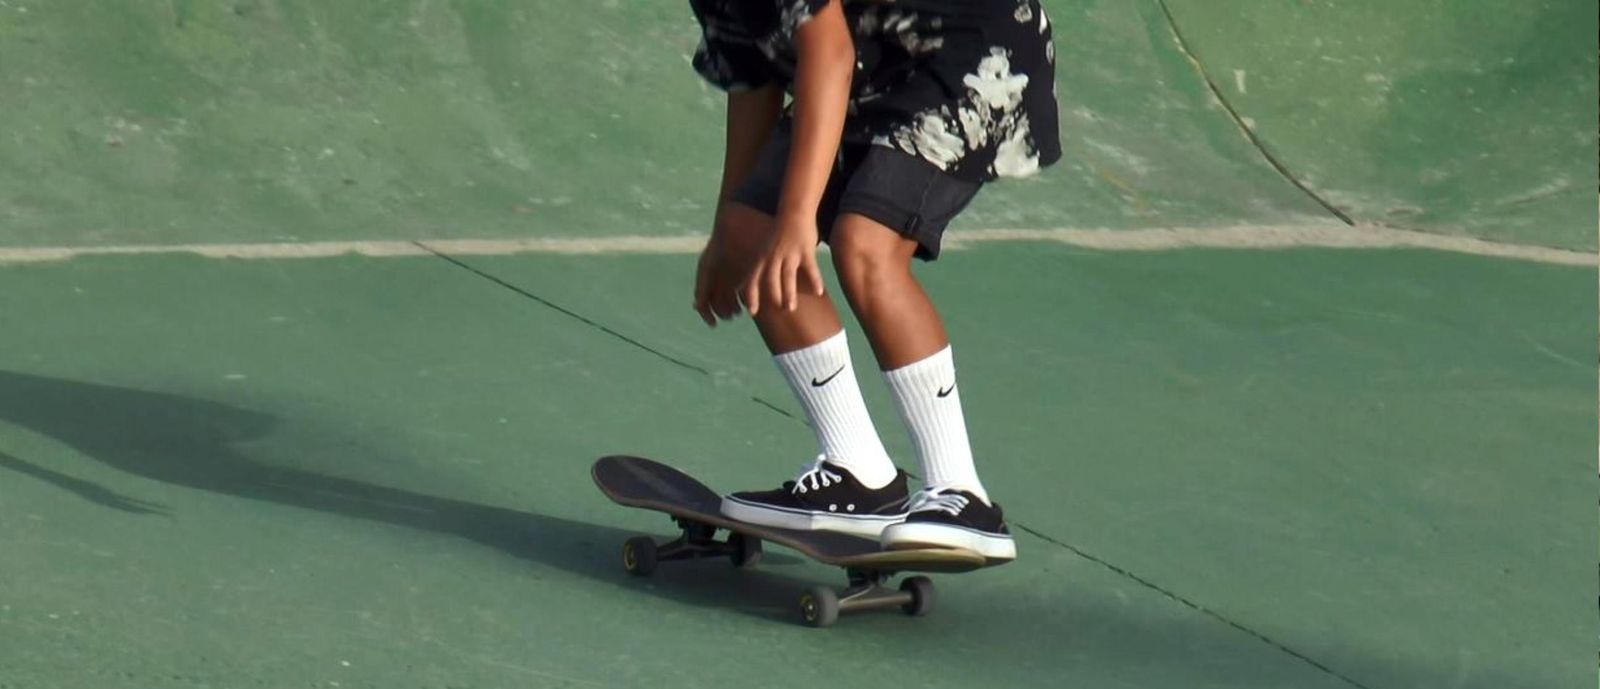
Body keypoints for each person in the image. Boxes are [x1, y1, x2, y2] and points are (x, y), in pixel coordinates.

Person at [688, 0, 1060, 561]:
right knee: (752, 238)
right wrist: (727, 228)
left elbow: (828, 50)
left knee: (865, 246)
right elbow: (754, 81)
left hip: (967, 48)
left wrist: (797, 219)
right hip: (868, 61)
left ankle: (962, 493)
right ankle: (856, 472)